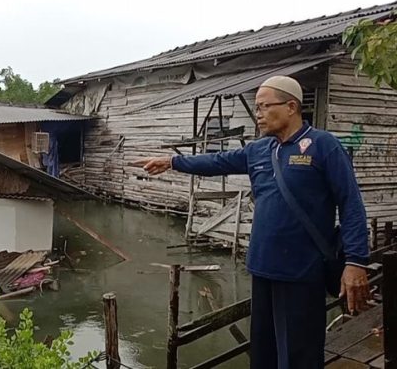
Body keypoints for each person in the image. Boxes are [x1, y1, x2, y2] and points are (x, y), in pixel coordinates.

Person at [138, 76, 371, 369]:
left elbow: (351, 204)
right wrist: (172, 162)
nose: (258, 113)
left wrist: (356, 262)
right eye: (257, 106)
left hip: (302, 272)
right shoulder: (259, 150)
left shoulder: (324, 146)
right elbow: (217, 162)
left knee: (300, 355)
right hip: (262, 267)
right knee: (264, 352)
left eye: (264, 106)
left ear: (290, 107)